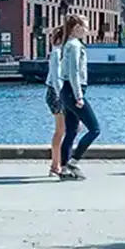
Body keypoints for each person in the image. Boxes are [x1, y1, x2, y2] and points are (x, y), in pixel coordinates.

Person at [57, 15, 100, 179]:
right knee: (95, 129)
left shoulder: (67, 45)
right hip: (74, 90)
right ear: (76, 28)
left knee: (72, 131)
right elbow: (74, 72)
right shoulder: (75, 46)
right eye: (85, 27)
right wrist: (79, 97)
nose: (87, 31)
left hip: (66, 91)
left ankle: (64, 168)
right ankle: (74, 162)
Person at [44, 18, 70, 177]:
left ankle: (58, 163)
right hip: (56, 93)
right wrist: (63, 97)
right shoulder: (57, 53)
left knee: (64, 129)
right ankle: (55, 165)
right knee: (60, 130)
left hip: (57, 92)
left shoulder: (60, 52)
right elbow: (56, 77)